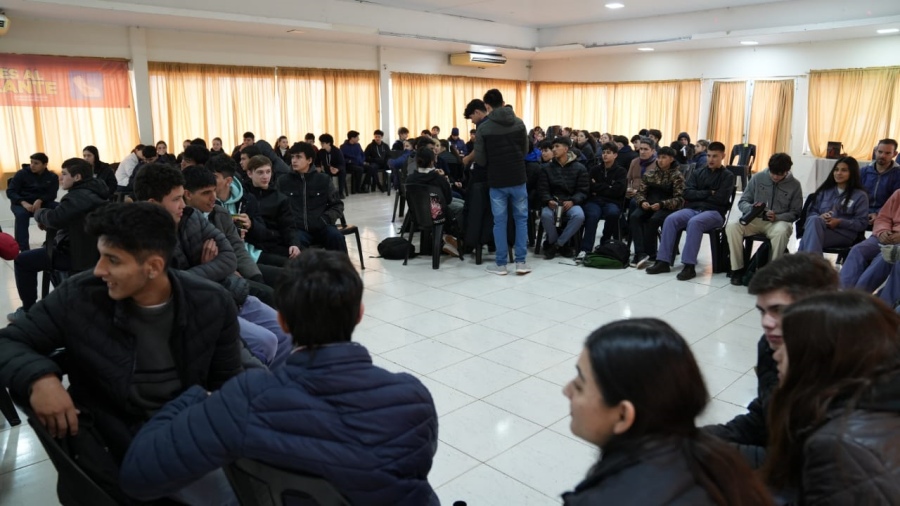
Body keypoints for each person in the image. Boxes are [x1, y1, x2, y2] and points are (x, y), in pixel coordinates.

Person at [118, 250, 439, 505]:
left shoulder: (244, 399)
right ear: (359, 314)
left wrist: (194, 395)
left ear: (282, 322)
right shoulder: (412, 398)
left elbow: (138, 474)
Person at [0, 202, 244, 504]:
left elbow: (228, 382)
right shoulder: (80, 295)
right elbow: (9, 342)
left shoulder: (211, 303)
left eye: (112, 260)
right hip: (111, 441)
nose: (100, 270)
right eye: (101, 256)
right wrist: (40, 378)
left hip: (186, 431)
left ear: (154, 266)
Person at [562, 319, 772, 505]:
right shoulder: (714, 457)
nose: (566, 391)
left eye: (580, 386)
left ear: (624, 415)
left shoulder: (606, 499)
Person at [134, 164, 283, 367]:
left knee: (285, 329)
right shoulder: (140, 238)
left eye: (181, 197)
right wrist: (208, 269)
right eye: (176, 199)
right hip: (198, 310)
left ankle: (279, 383)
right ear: (153, 204)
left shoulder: (191, 217)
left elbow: (229, 257)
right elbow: (168, 286)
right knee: (265, 343)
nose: (183, 205)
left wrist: (195, 273)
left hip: (227, 292)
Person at [704, 253, 839, 469]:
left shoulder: (845, 363)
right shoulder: (770, 345)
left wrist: (708, 453)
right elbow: (764, 417)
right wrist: (699, 439)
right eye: (762, 311)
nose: (766, 323)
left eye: (779, 310)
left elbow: (807, 463)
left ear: (818, 308)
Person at [763, 292, 900, 504]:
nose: (776, 355)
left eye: (788, 345)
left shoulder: (840, 446)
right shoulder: (872, 401)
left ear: (821, 355)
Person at [7, 158, 107, 322]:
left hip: (75, 255)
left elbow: (54, 218)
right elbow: (70, 219)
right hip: (90, 251)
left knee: (22, 260)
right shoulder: (96, 191)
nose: (61, 177)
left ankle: (28, 310)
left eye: (64, 174)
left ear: (77, 177)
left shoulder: (77, 197)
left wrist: (39, 213)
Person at [647, 141, 735, 280]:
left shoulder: (728, 176)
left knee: (695, 222)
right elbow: (687, 193)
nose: (711, 159)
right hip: (693, 209)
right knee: (671, 219)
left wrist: (699, 194)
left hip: (715, 213)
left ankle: (689, 266)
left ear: (723, 156)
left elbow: (721, 199)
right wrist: (708, 193)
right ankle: (663, 261)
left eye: (715, 156)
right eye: (709, 156)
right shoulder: (698, 172)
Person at [475, 89, 532, 276]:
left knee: (499, 222)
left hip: (497, 181)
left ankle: (501, 264)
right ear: (503, 101)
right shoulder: (519, 123)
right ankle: (521, 262)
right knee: (521, 220)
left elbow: (481, 160)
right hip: (518, 178)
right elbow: (525, 151)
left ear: (487, 106)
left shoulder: (483, 128)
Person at [725, 153, 803, 284]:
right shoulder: (758, 178)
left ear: (787, 171)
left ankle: (773, 272)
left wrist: (778, 216)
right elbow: (743, 201)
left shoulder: (795, 185)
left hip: (778, 222)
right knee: (732, 227)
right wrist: (753, 209)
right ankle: (737, 269)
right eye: (773, 173)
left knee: (782, 232)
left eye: (779, 174)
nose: (775, 177)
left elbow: (796, 212)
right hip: (755, 220)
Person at [280, 142, 347, 253]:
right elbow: (279, 208)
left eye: (299, 157)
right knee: (295, 244)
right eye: (292, 157)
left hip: (322, 226)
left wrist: (325, 219)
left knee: (336, 237)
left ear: (309, 160)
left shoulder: (323, 180)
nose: (294, 161)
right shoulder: (283, 181)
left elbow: (337, 205)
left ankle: (342, 270)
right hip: (298, 229)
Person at [798, 156, 869, 254]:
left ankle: (805, 266)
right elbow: (810, 213)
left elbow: (862, 223)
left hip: (843, 234)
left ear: (852, 173)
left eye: (844, 170)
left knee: (807, 240)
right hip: (820, 229)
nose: (838, 173)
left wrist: (839, 222)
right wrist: (820, 217)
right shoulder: (824, 191)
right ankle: (814, 267)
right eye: (836, 170)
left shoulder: (860, 195)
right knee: (814, 221)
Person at [629, 146, 684, 268]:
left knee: (654, 220)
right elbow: (640, 193)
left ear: (671, 159)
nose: (660, 160)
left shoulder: (677, 176)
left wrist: (662, 204)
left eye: (664, 157)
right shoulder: (650, 174)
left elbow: (680, 199)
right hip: (649, 205)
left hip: (667, 207)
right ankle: (640, 253)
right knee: (635, 216)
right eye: (659, 157)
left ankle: (651, 253)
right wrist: (642, 201)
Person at [243, 154, 302, 266]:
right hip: (250, 244)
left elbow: (288, 226)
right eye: (260, 172)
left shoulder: (280, 199)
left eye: (268, 172)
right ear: (250, 173)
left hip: (273, 244)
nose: (265, 176)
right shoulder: (243, 196)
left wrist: (294, 244)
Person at [840, 188, 900, 294]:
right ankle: (843, 293)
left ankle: (858, 295)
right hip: (887, 235)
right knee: (858, 250)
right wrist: (882, 231)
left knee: (885, 256)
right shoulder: (898, 193)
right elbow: (883, 217)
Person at [538, 136, 589, 259]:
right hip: (553, 202)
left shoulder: (579, 168)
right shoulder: (546, 168)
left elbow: (583, 190)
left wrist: (573, 201)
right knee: (545, 215)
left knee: (579, 216)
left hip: (570, 202)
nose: (554, 150)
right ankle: (560, 244)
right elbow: (542, 189)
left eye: (557, 147)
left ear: (566, 149)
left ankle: (556, 245)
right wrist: (548, 200)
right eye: (553, 147)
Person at [407, 147, 463, 257]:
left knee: (459, 203)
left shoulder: (410, 179)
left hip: (418, 215)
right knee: (462, 207)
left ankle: (446, 238)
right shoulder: (438, 178)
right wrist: (444, 179)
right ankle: (452, 237)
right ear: (433, 161)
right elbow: (448, 199)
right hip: (438, 215)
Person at [580, 142, 627, 258]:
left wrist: (599, 187)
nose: (605, 155)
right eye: (604, 152)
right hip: (595, 201)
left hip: (612, 201)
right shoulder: (595, 169)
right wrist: (608, 187)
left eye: (608, 153)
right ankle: (585, 249)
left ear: (615, 155)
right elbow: (590, 187)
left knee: (613, 213)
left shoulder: (621, 171)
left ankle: (605, 242)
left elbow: (618, 191)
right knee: (592, 215)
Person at [6, 152, 59, 252]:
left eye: (36, 163)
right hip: (21, 203)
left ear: (45, 164)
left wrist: (40, 200)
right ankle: (23, 249)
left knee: (60, 209)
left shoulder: (52, 176)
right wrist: (23, 202)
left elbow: (52, 194)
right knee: (22, 215)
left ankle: (54, 241)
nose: (32, 166)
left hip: (42, 202)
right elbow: (11, 191)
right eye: (31, 162)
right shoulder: (21, 174)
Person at [861, 138, 900, 225]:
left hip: (887, 216)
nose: (882, 156)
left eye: (887, 153)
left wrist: (878, 213)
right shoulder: (864, 171)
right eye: (880, 152)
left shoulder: (898, 174)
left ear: (894, 154)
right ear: (875, 151)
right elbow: (856, 194)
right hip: (861, 212)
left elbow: (896, 201)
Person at [316, 133, 348, 198]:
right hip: (326, 169)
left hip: (336, 168)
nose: (321, 144)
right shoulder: (321, 152)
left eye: (323, 143)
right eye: (321, 143)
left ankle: (341, 192)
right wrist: (318, 166)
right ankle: (327, 192)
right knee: (323, 174)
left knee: (342, 172)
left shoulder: (337, 151)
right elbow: (317, 161)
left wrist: (337, 169)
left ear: (328, 143)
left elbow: (342, 163)